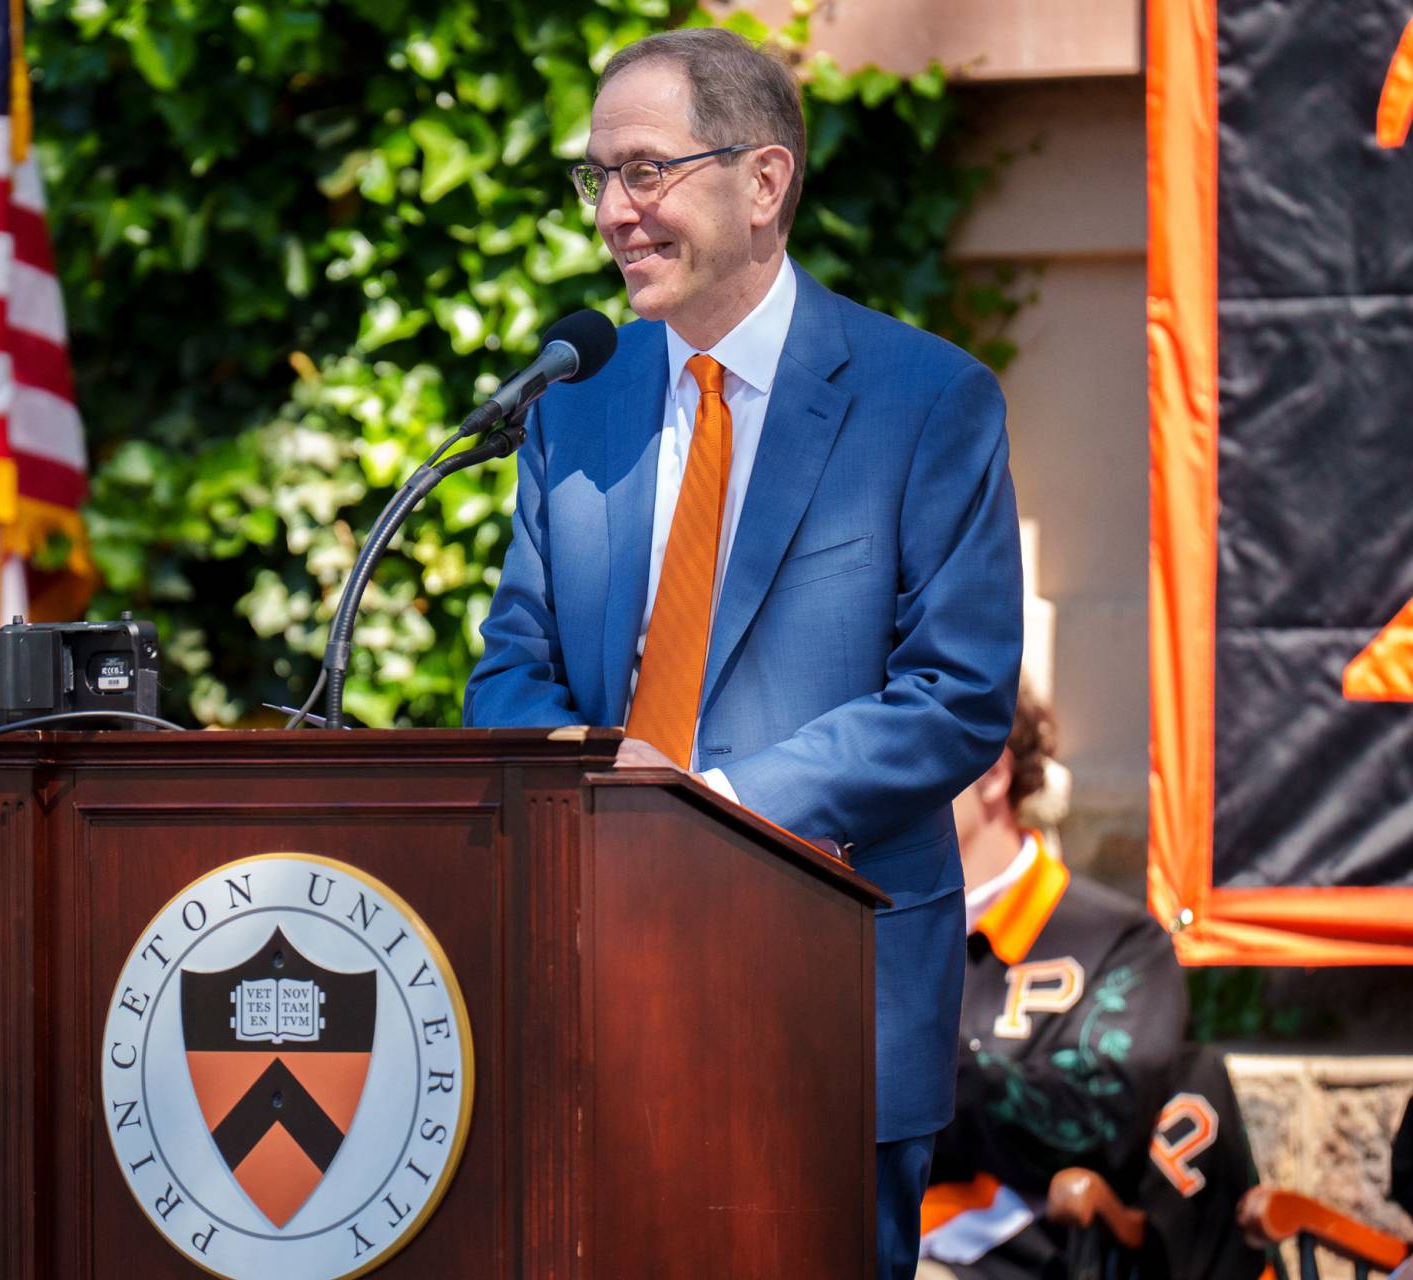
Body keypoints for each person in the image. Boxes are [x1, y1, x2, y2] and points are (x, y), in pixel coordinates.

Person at [462, 26, 1023, 1279]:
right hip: (596, 986)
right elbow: (513, 664)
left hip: (823, 1000)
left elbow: (954, 697)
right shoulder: (576, 402)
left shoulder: (926, 400)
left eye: (646, 170)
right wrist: (591, 786)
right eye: (598, 177)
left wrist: (708, 812)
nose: (614, 211)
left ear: (763, 181)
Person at [920, 694, 1263, 1279]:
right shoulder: (866, 927)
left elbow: (1099, 1119)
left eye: (916, 756)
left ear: (994, 773)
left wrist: (924, 1066)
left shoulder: (1119, 941)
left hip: (1002, 1257)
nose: (888, 781)